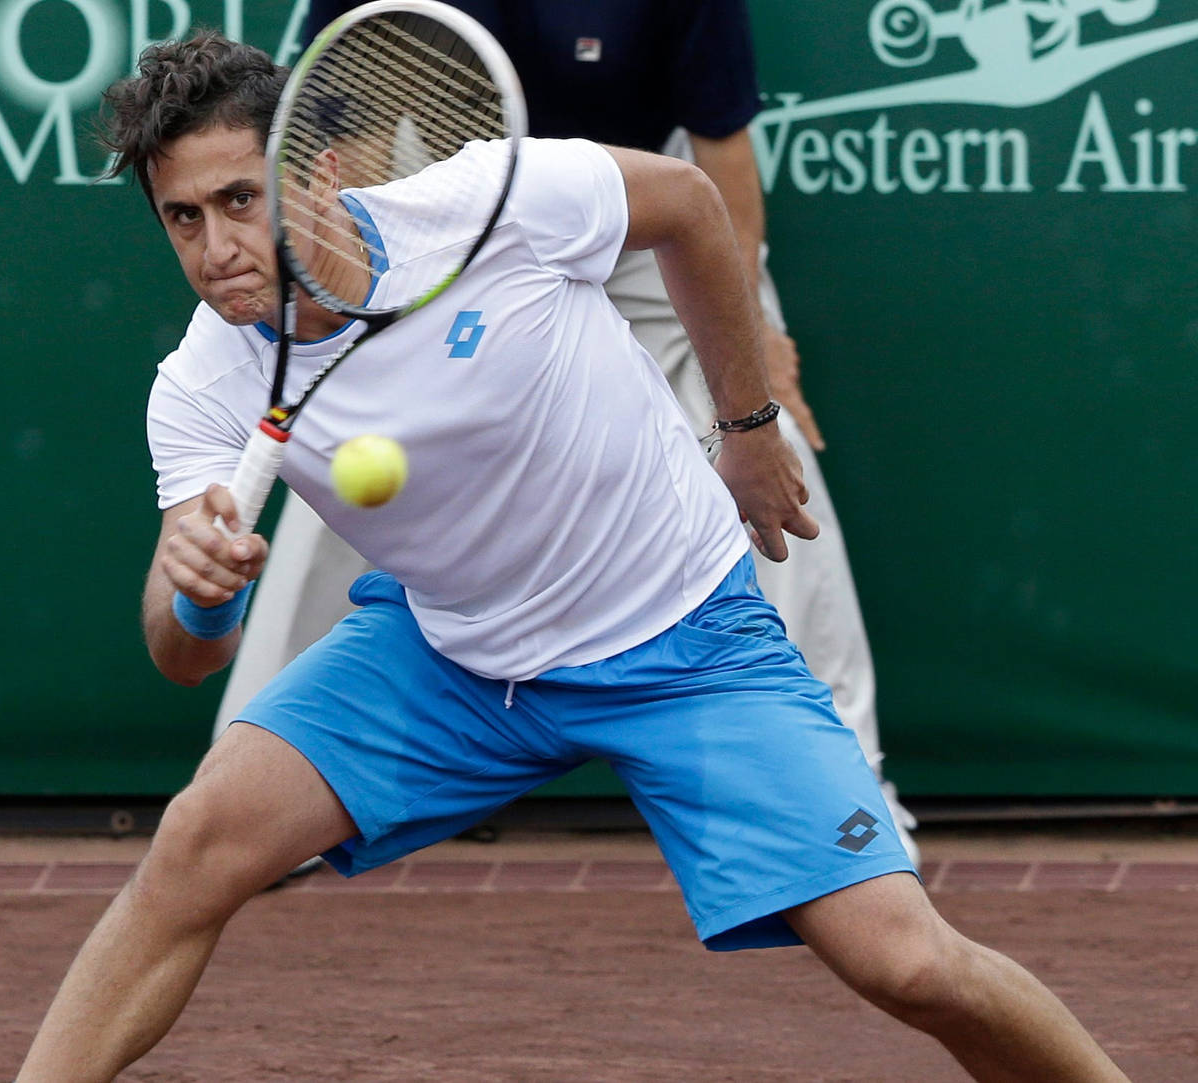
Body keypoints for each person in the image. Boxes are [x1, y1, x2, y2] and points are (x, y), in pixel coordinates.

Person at [15, 32, 1127, 1082]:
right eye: (182, 219)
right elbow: (185, 660)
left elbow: (691, 206)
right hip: (453, 658)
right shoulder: (200, 386)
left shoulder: (495, 200)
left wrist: (745, 430)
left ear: (315, 171)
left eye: (238, 202)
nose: (216, 250)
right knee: (198, 841)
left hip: (684, 637)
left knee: (912, 966)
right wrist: (195, 592)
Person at [219, 0, 918, 867]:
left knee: (769, 444)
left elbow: (718, 147)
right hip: (436, 208)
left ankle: (857, 795)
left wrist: (755, 354)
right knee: (346, 453)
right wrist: (351, 297)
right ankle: (250, 809)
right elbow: (345, 115)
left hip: (636, 212)